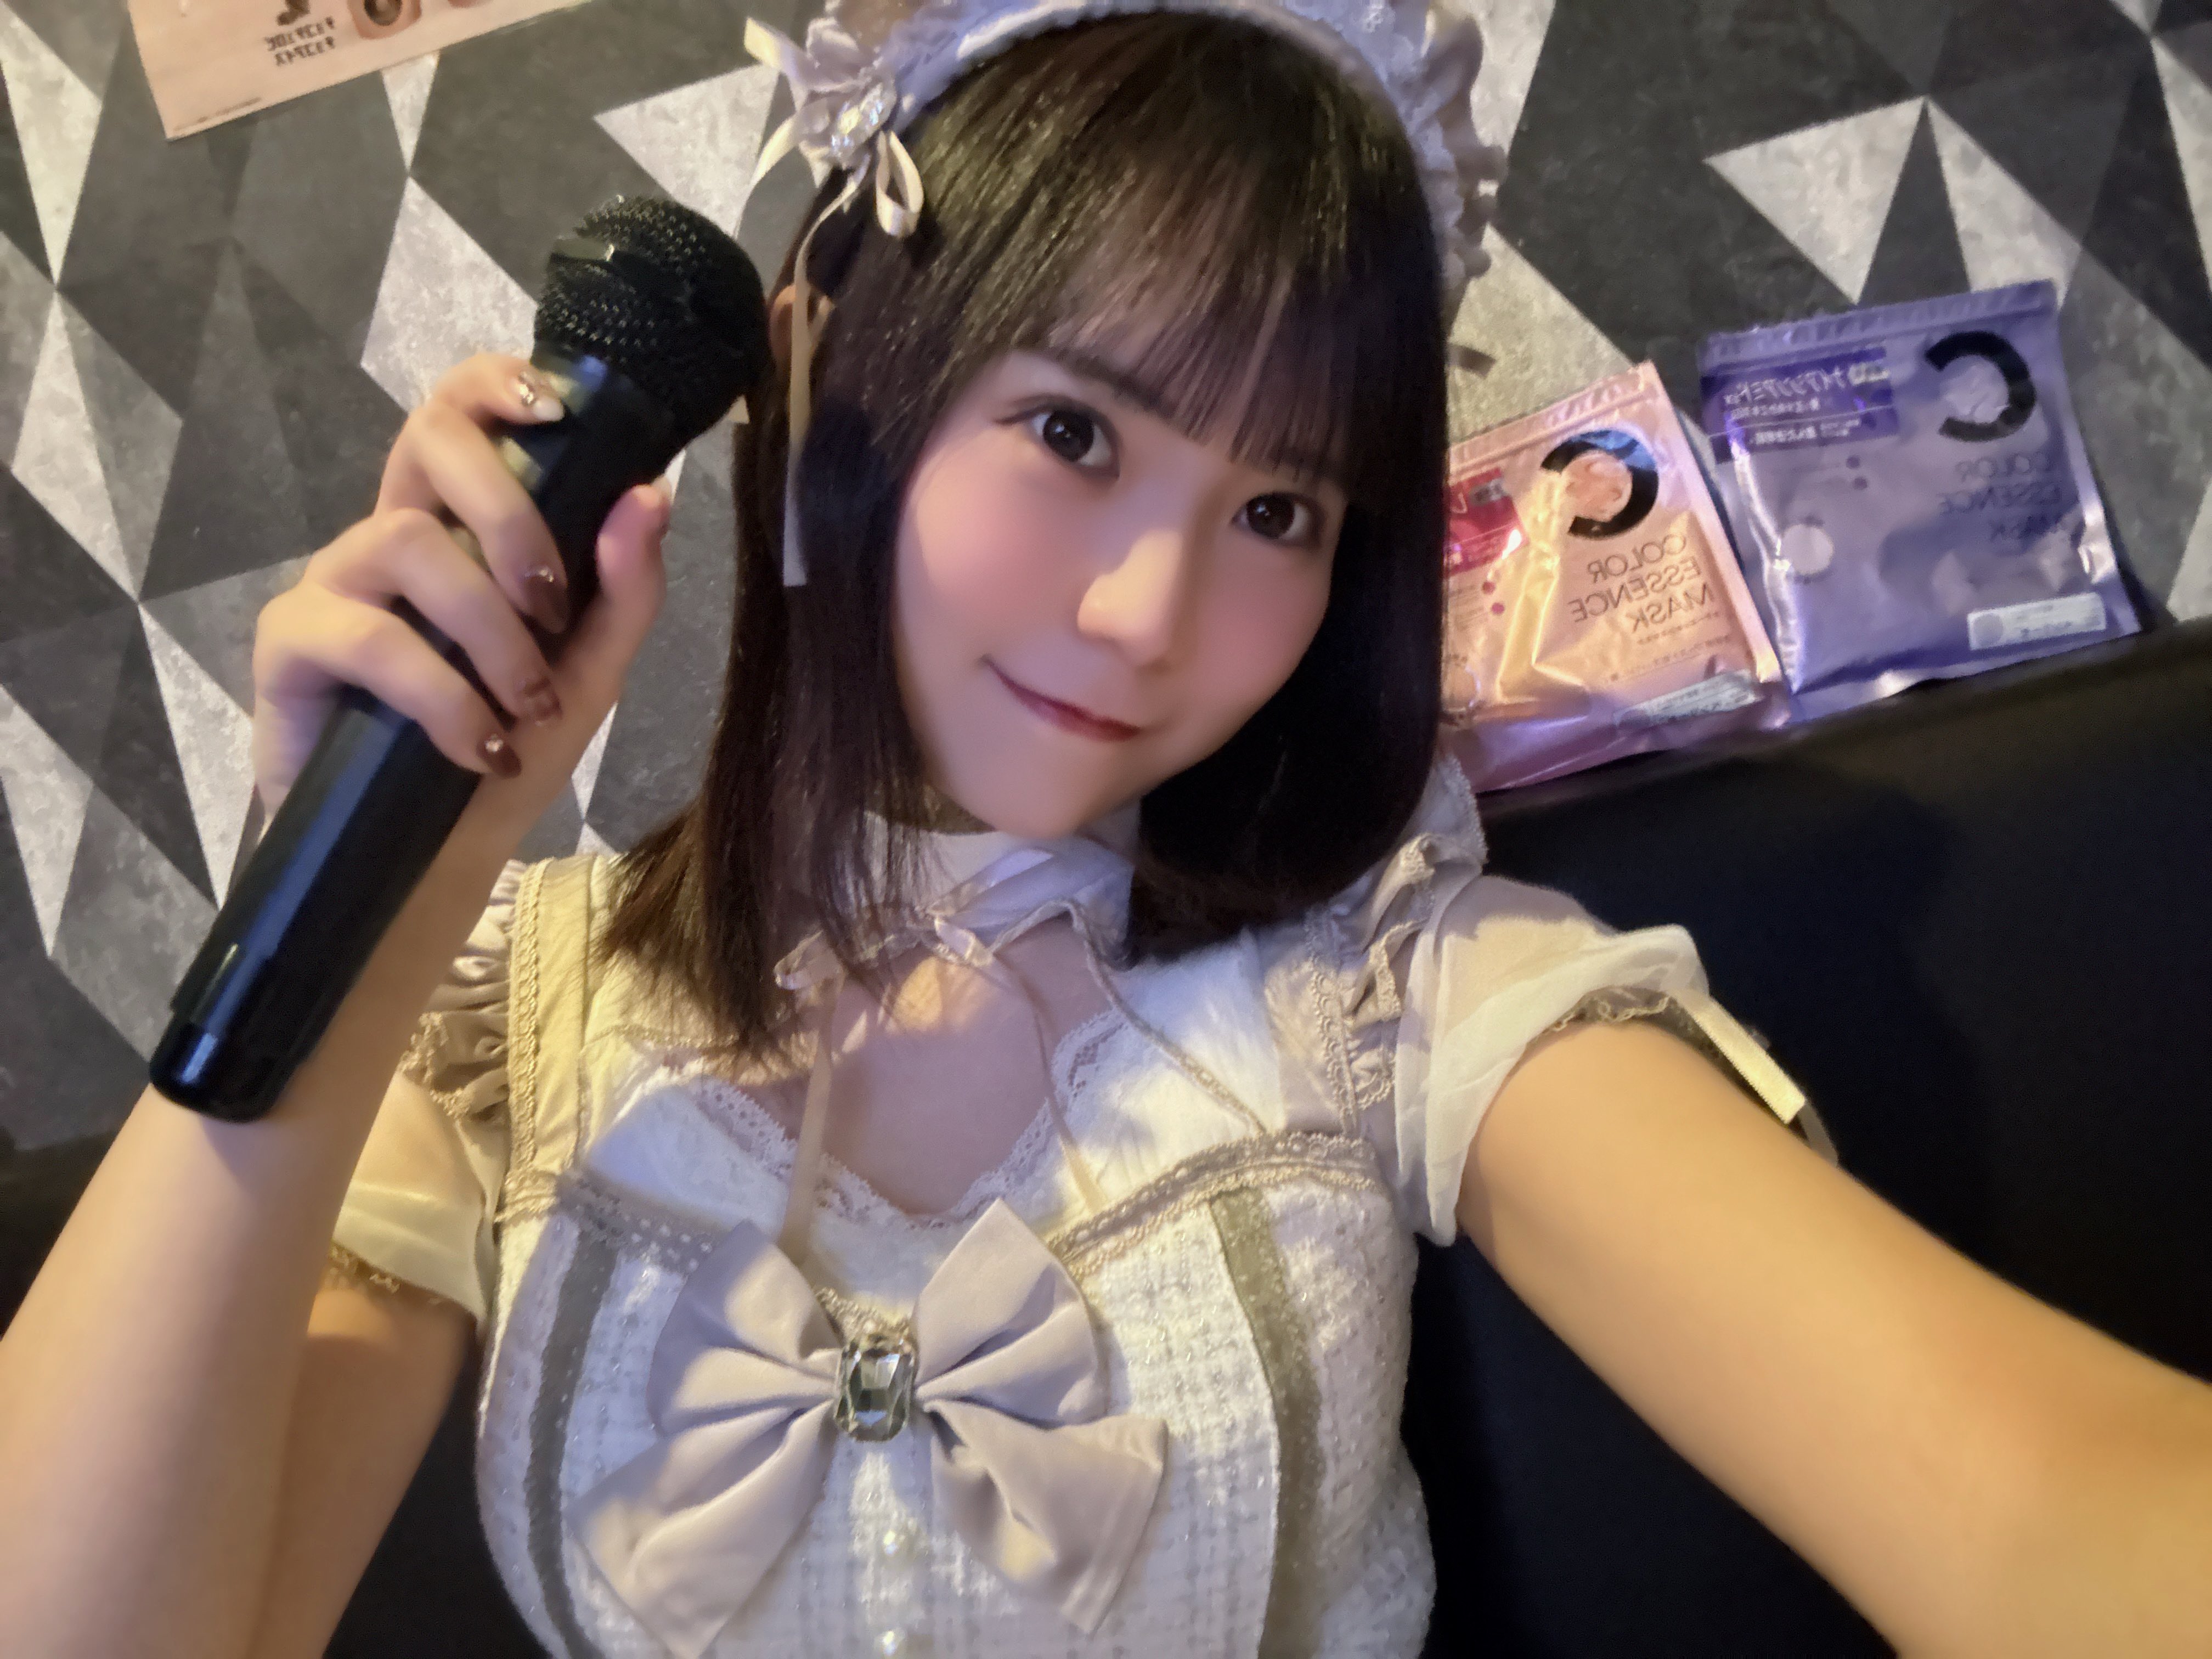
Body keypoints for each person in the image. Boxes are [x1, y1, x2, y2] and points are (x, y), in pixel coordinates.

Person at [3, 3, 2210, 1656]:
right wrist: (364, 900)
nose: (1158, 612)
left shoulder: (1385, 976)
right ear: (821, 368)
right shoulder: (512, 1018)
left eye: (1279, 509)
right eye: (1072, 429)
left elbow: (2029, 1502)